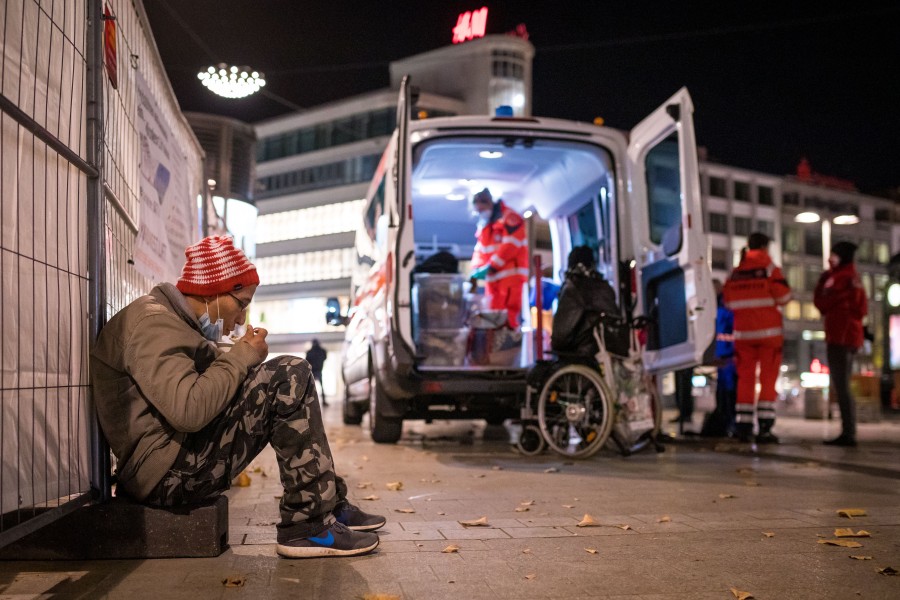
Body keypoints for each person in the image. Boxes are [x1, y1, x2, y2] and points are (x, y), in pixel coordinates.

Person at [90, 235, 385, 558]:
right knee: (289, 374)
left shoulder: (175, 324)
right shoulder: (153, 324)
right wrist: (241, 357)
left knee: (287, 377)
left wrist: (238, 363)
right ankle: (307, 525)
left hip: (175, 463)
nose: (241, 319)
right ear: (213, 291)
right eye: (241, 303)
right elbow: (188, 410)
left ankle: (326, 504)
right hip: (165, 477)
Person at [723, 232, 791, 444]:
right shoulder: (769, 268)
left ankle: (743, 426)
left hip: (743, 335)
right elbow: (784, 297)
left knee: (745, 380)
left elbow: (727, 302)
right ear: (764, 247)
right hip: (769, 335)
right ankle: (764, 428)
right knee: (768, 380)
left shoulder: (736, 272)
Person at [814, 241, 868, 447]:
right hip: (839, 336)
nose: (831, 258)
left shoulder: (845, 278)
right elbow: (821, 303)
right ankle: (848, 430)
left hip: (843, 337)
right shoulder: (836, 277)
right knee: (840, 384)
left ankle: (849, 432)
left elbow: (854, 307)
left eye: (834, 254)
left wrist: (828, 293)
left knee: (842, 384)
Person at [469, 188, 528, 328]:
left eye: (481, 210)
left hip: (509, 278)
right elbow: (480, 250)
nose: (480, 213)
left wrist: (491, 266)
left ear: (489, 203)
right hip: (493, 280)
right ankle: (496, 346)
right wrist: (475, 270)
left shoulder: (510, 217)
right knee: (494, 318)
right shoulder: (485, 226)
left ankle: (510, 346)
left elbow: (511, 245)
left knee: (508, 319)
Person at [550, 245, 618, 357]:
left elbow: (560, 338)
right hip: (608, 353)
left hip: (581, 357)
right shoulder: (606, 288)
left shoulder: (572, 289)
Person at [701, 279, 737, 437]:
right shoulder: (721, 306)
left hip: (727, 356)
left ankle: (727, 422)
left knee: (728, 392)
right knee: (724, 392)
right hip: (724, 355)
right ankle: (726, 421)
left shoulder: (722, 308)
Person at [305, 339, 328, 407]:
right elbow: (325, 357)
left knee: (310, 388)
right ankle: (323, 401)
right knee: (320, 387)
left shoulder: (309, 352)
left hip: (313, 371)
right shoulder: (322, 351)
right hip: (318, 370)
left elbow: (306, 361)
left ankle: (309, 402)